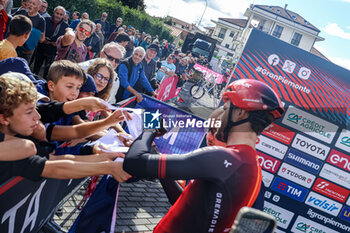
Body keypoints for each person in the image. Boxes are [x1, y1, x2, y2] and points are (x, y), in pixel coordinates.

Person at [122, 79, 285, 233]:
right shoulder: (253, 169)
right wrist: (161, 165)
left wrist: (150, 128)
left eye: (226, 109)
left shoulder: (223, 157)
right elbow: (193, 207)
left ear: (241, 113)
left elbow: (134, 163)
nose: (220, 117)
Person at [0, 76, 131, 183]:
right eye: (29, 112)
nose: (38, 116)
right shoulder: (13, 150)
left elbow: (55, 162)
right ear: (4, 118)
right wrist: (106, 166)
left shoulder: (23, 129)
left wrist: (104, 162)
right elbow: (55, 167)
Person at [33, 6, 68, 78]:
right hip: (41, 48)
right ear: (54, 12)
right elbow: (38, 32)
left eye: (61, 14)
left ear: (63, 16)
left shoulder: (65, 26)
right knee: (36, 68)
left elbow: (64, 40)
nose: (58, 16)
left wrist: (58, 43)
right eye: (57, 13)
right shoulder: (45, 20)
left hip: (53, 52)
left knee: (48, 71)